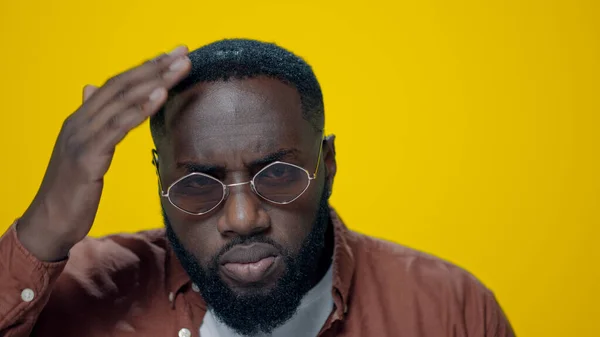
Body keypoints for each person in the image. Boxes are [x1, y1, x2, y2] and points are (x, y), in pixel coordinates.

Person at [0, 39, 515, 337]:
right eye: (199, 185)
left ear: (328, 164)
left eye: (279, 175)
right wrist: (40, 234)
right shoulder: (71, 295)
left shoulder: (450, 309)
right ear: (161, 180)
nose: (243, 218)